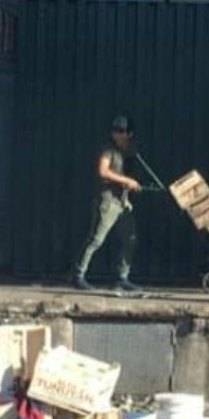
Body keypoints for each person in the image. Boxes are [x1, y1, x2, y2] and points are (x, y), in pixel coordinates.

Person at [74, 116, 142, 292]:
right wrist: (126, 180)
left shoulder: (129, 152)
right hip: (108, 200)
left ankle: (122, 278)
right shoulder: (108, 149)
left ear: (129, 134)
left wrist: (133, 184)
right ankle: (78, 275)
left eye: (121, 131)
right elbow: (103, 171)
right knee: (96, 238)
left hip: (123, 202)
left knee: (130, 239)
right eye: (115, 131)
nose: (117, 134)